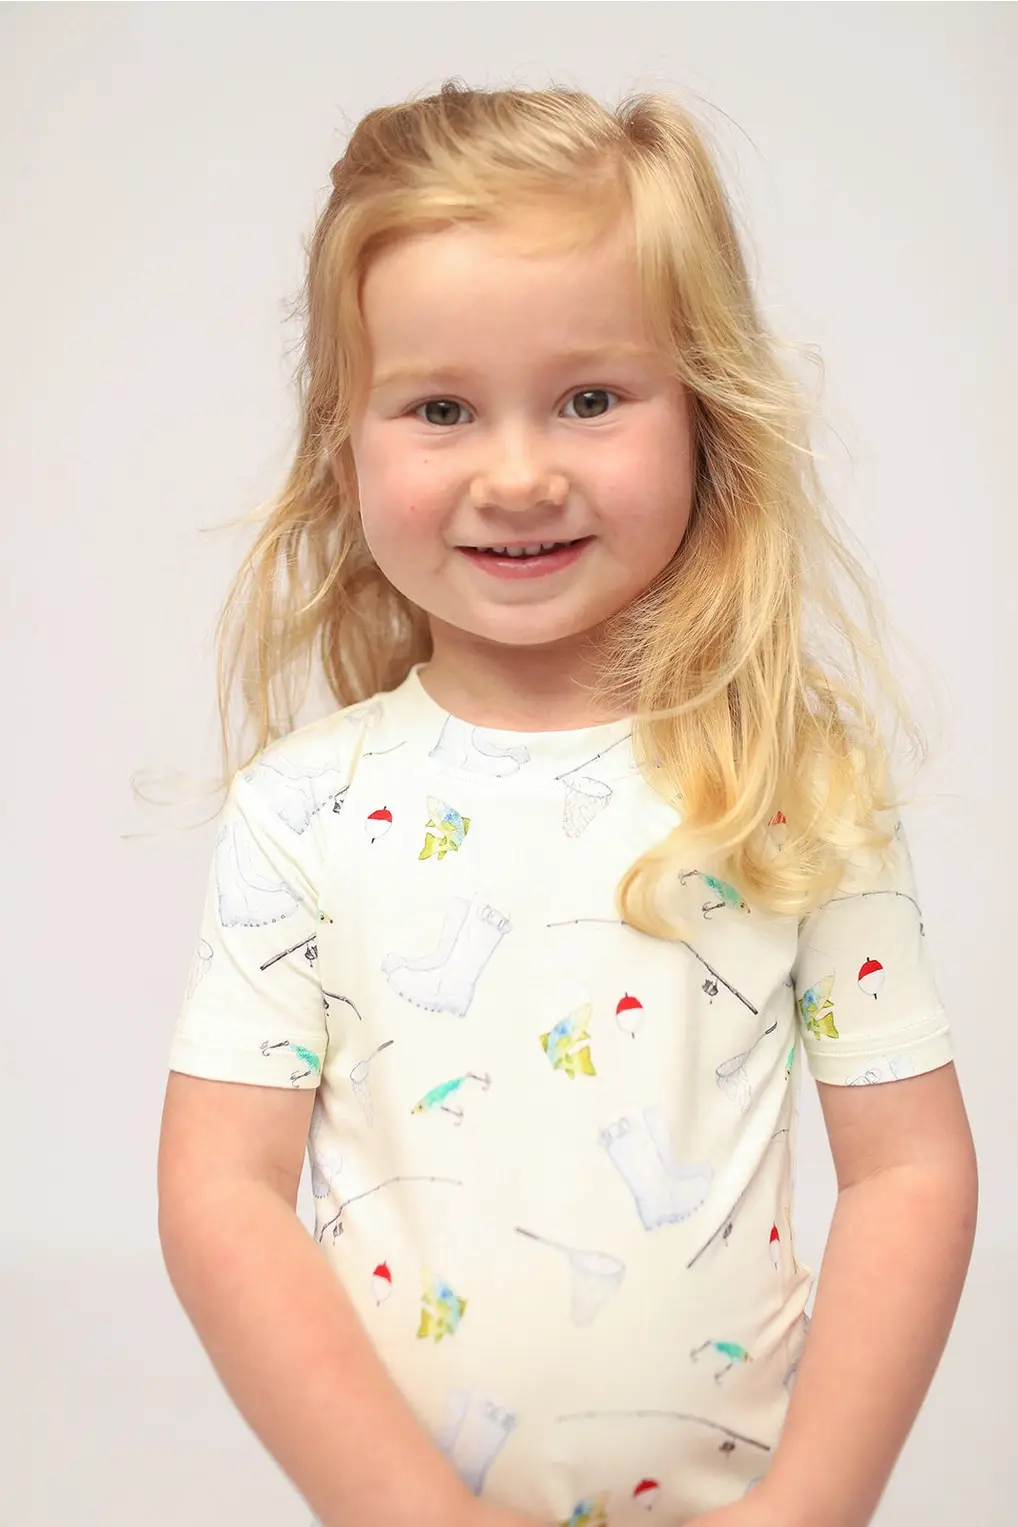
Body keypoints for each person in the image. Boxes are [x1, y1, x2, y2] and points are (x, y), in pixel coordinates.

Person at [155, 79, 978, 1527]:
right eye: (441, 409)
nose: (520, 474)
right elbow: (220, 1191)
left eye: (590, 400)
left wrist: (811, 1507)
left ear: (703, 415)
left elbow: (907, 1166)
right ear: (346, 447)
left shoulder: (787, 783)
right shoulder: (307, 810)